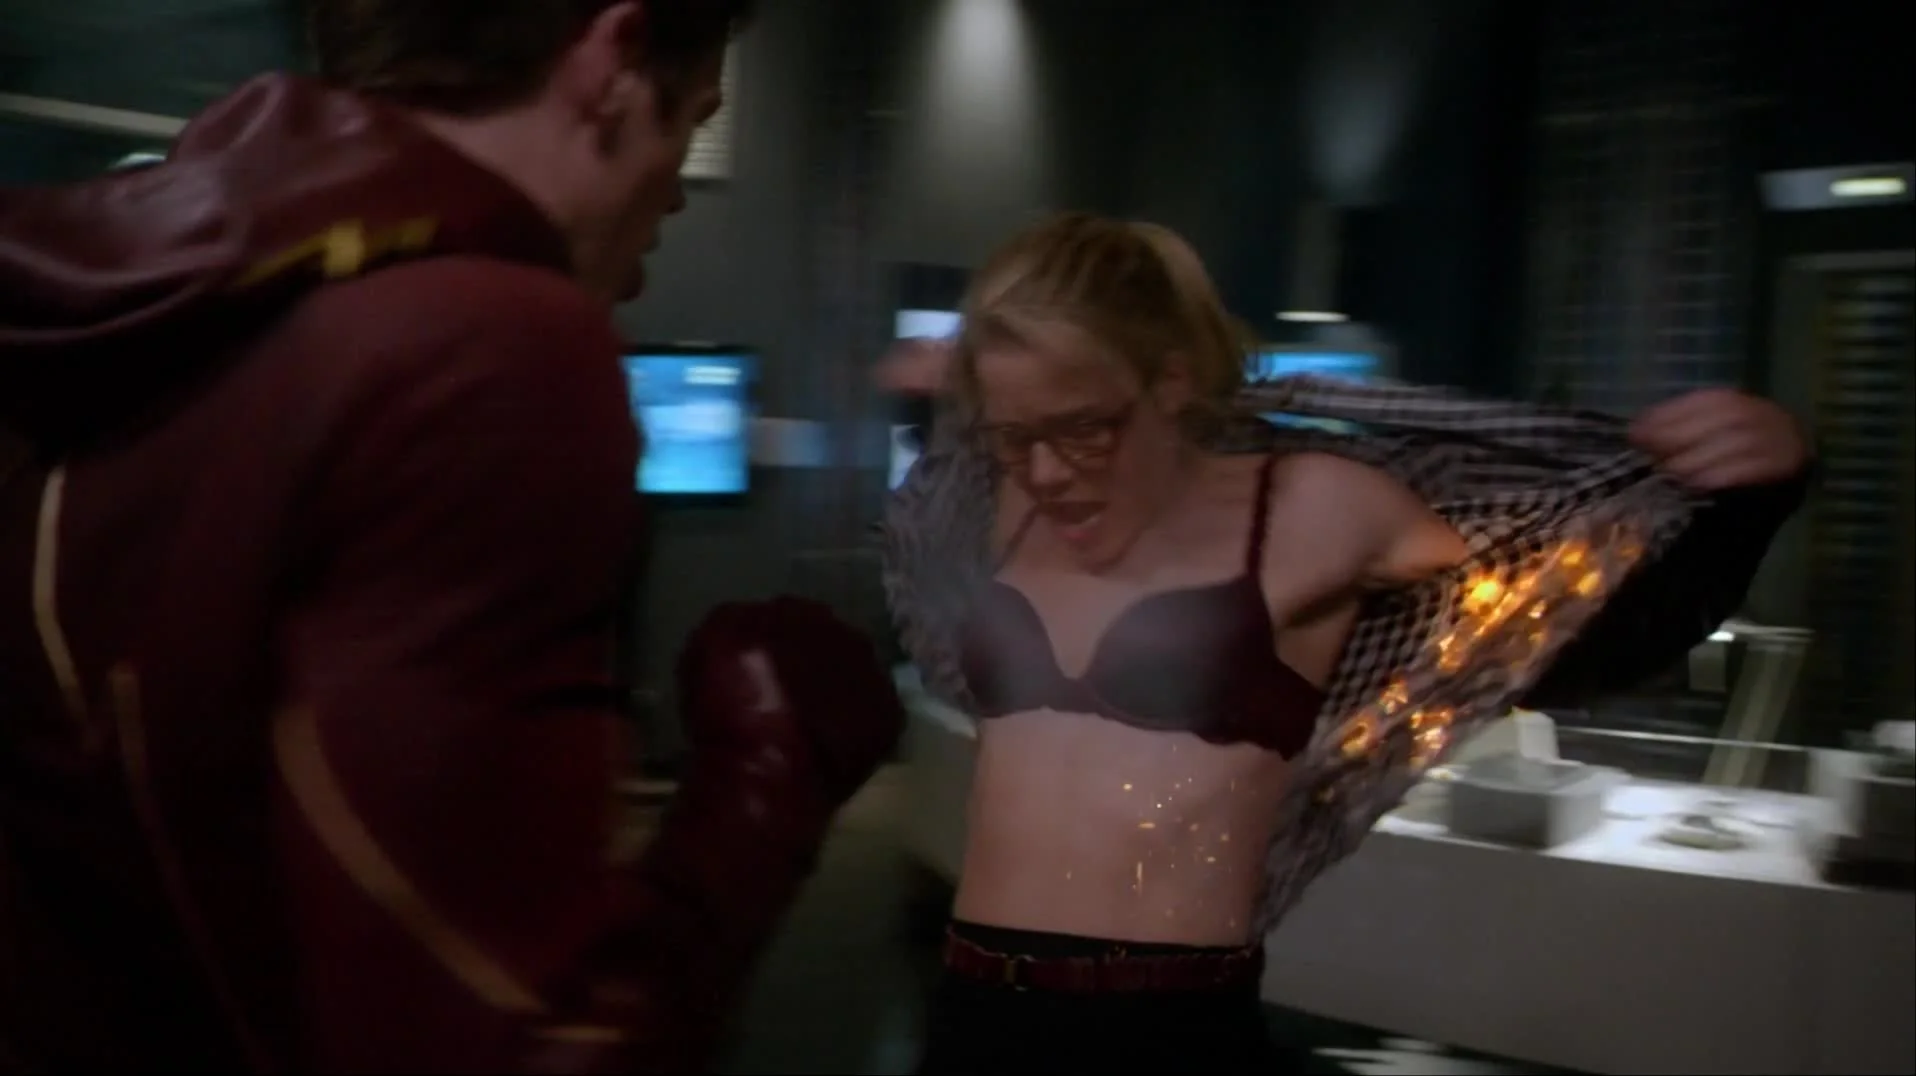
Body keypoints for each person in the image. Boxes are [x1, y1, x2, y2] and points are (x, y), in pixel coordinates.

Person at [0, 1, 905, 1073]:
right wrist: (772, 766)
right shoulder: (485, 342)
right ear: (613, 60)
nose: (670, 192)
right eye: (692, 119)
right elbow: (525, 1045)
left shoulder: (113, 311)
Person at [878, 214, 1810, 1074]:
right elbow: (937, 503)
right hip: (974, 1015)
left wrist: (1747, 501)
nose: (1047, 471)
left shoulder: (1312, 509)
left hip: (1168, 1029)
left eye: (1086, 428)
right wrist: (933, 408)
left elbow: (1565, 622)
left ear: (1170, 380)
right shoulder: (1001, 503)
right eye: (1015, 436)